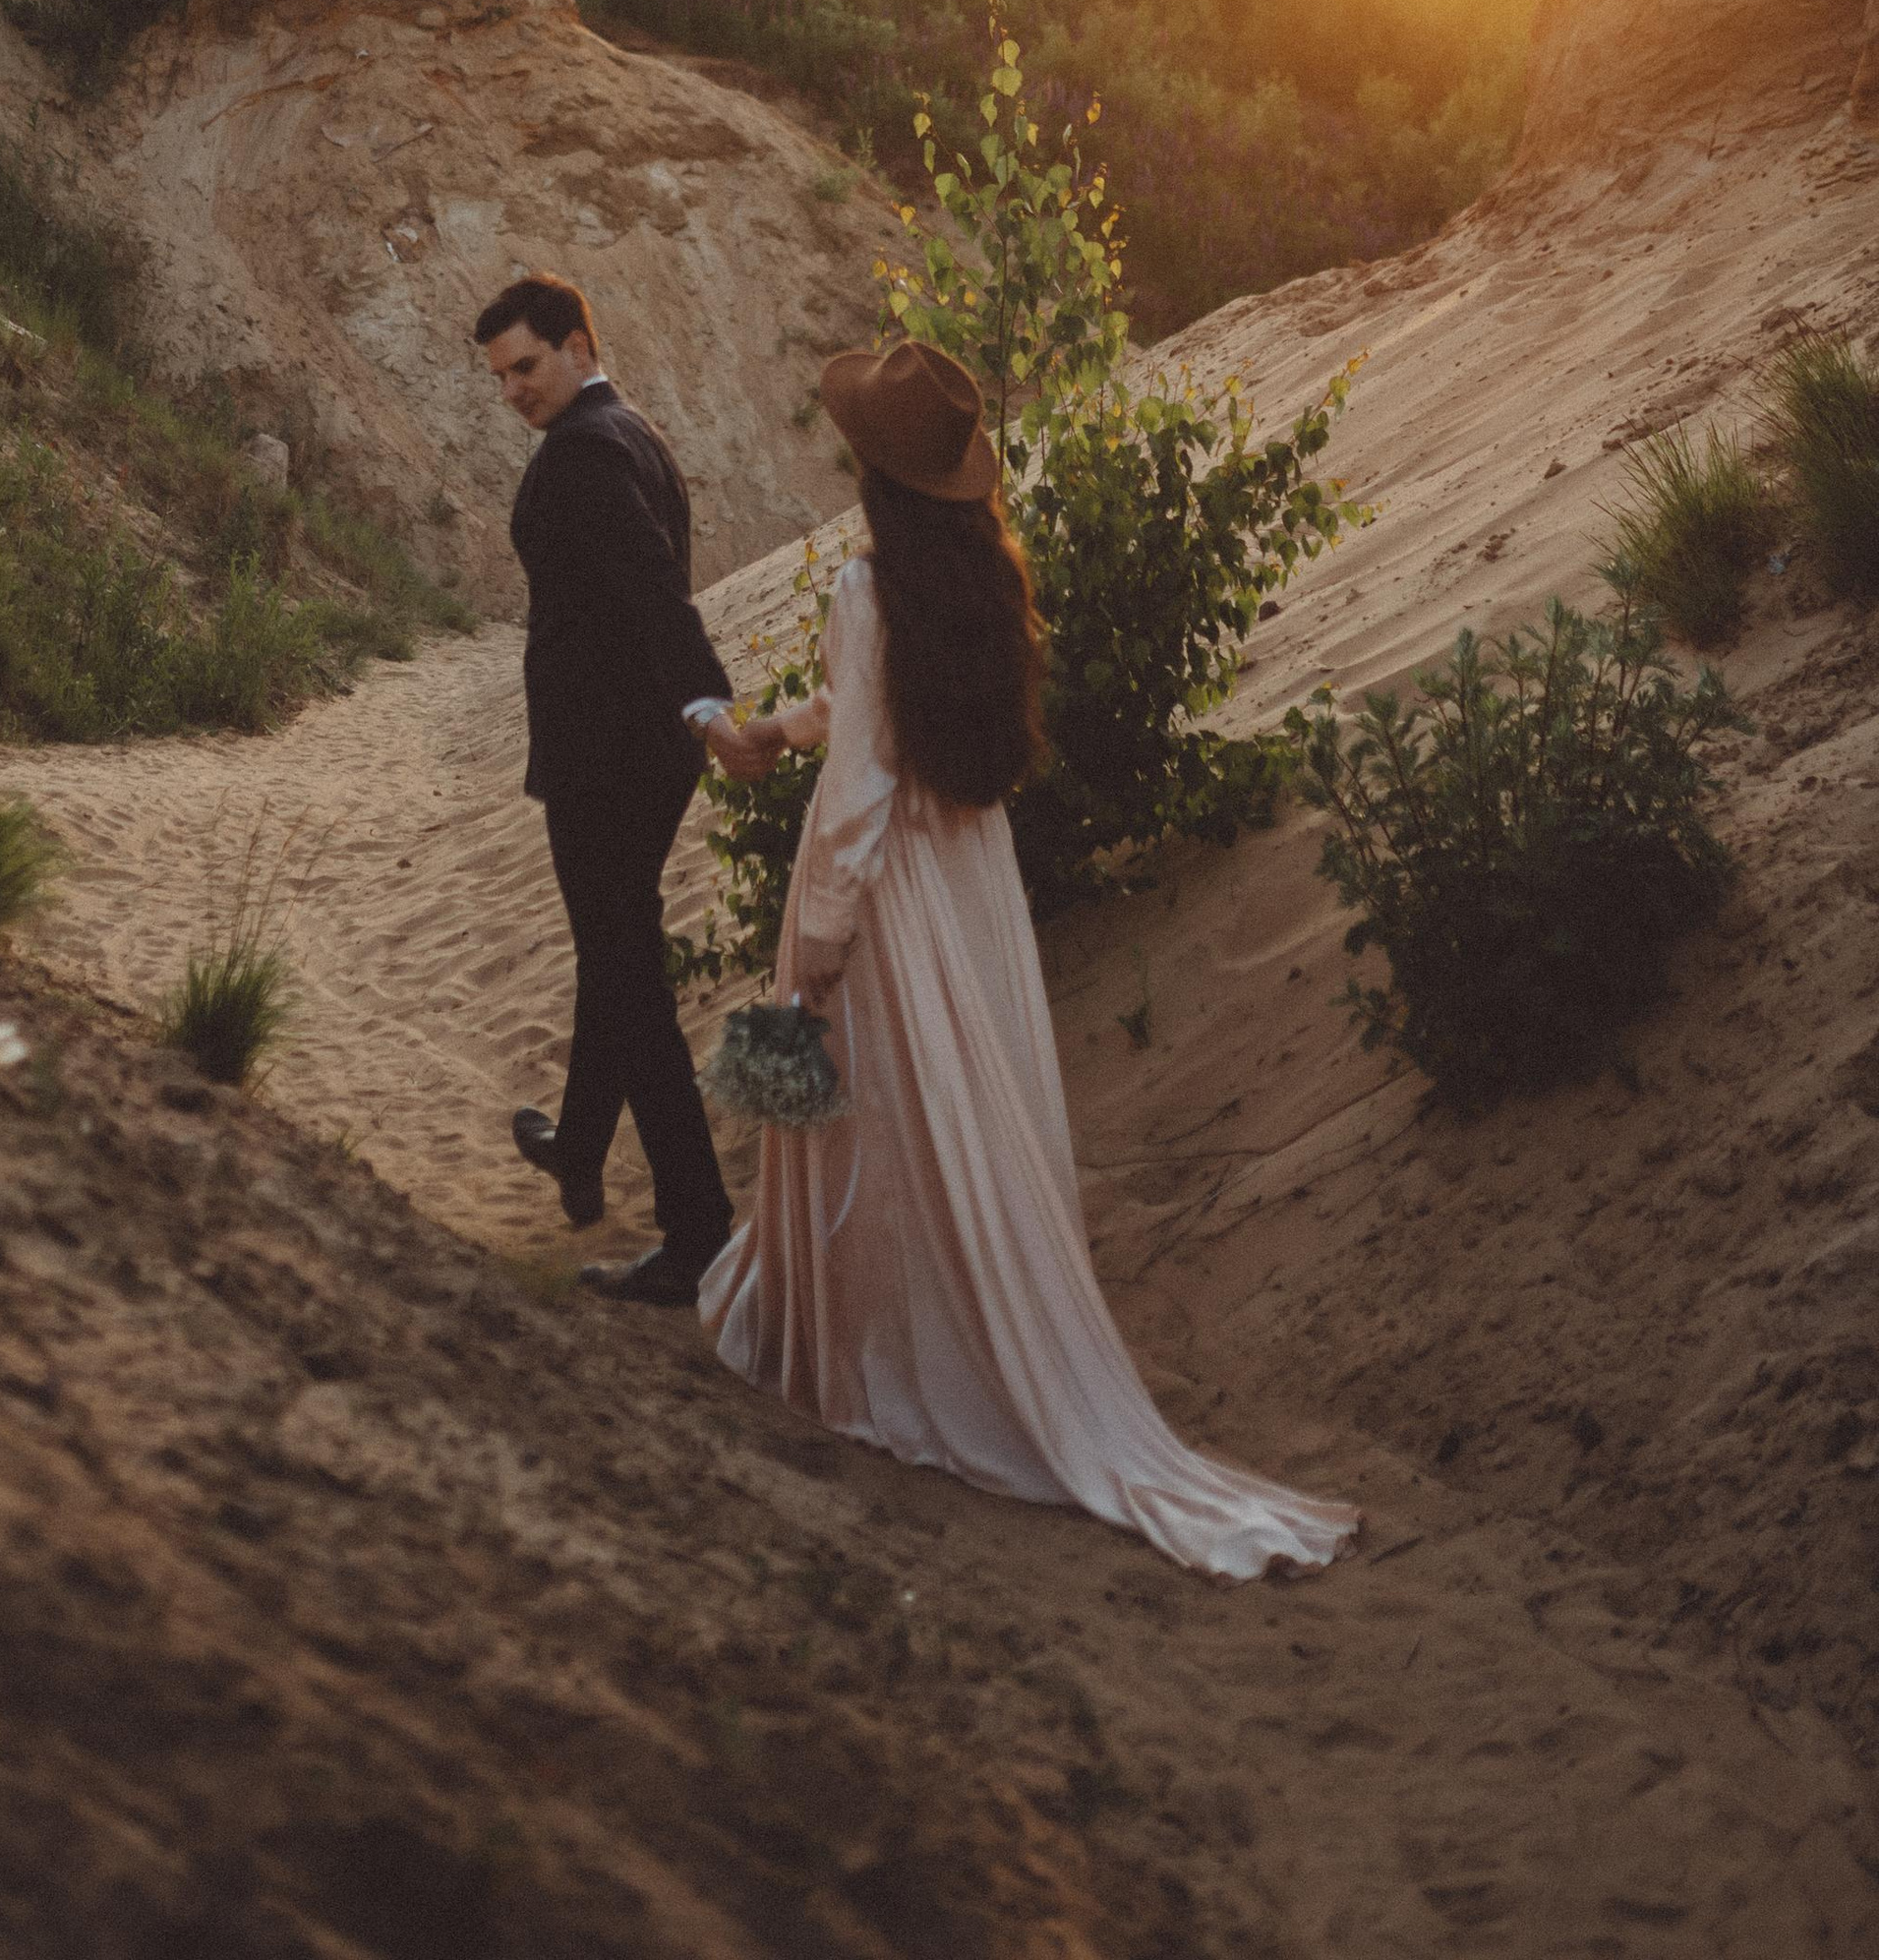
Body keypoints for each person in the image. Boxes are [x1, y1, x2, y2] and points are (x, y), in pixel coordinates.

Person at [697, 336, 1360, 1581]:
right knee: (953, 1120)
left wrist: (820, 952)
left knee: (877, 1129)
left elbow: (859, 795)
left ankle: (886, 1351)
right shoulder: (980, 575)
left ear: (871, 474)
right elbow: (875, 713)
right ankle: (951, 1324)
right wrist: (780, 729)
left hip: (891, 895)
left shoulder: (866, 588)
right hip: (971, 883)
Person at [478, 272, 739, 1307]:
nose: (513, 392)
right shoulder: (637, 432)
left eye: (527, 367)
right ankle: (580, 1145)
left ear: (580, 341)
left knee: (628, 980)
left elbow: (649, 587)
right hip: (639, 752)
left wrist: (706, 702)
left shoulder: (583, 453)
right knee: (616, 947)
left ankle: (698, 1234)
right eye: (499, 377)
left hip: (609, 761)